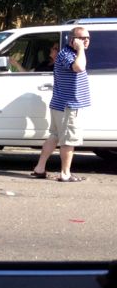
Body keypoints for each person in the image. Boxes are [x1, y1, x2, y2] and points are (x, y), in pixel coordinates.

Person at [31, 26, 91, 182]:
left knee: (55, 136)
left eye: (88, 38)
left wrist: (79, 49)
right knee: (68, 140)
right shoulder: (66, 54)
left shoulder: (71, 53)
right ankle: (65, 174)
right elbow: (79, 67)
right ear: (72, 39)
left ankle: (40, 168)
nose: (86, 41)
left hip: (62, 104)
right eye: (82, 38)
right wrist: (80, 49)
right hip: (68, 106)